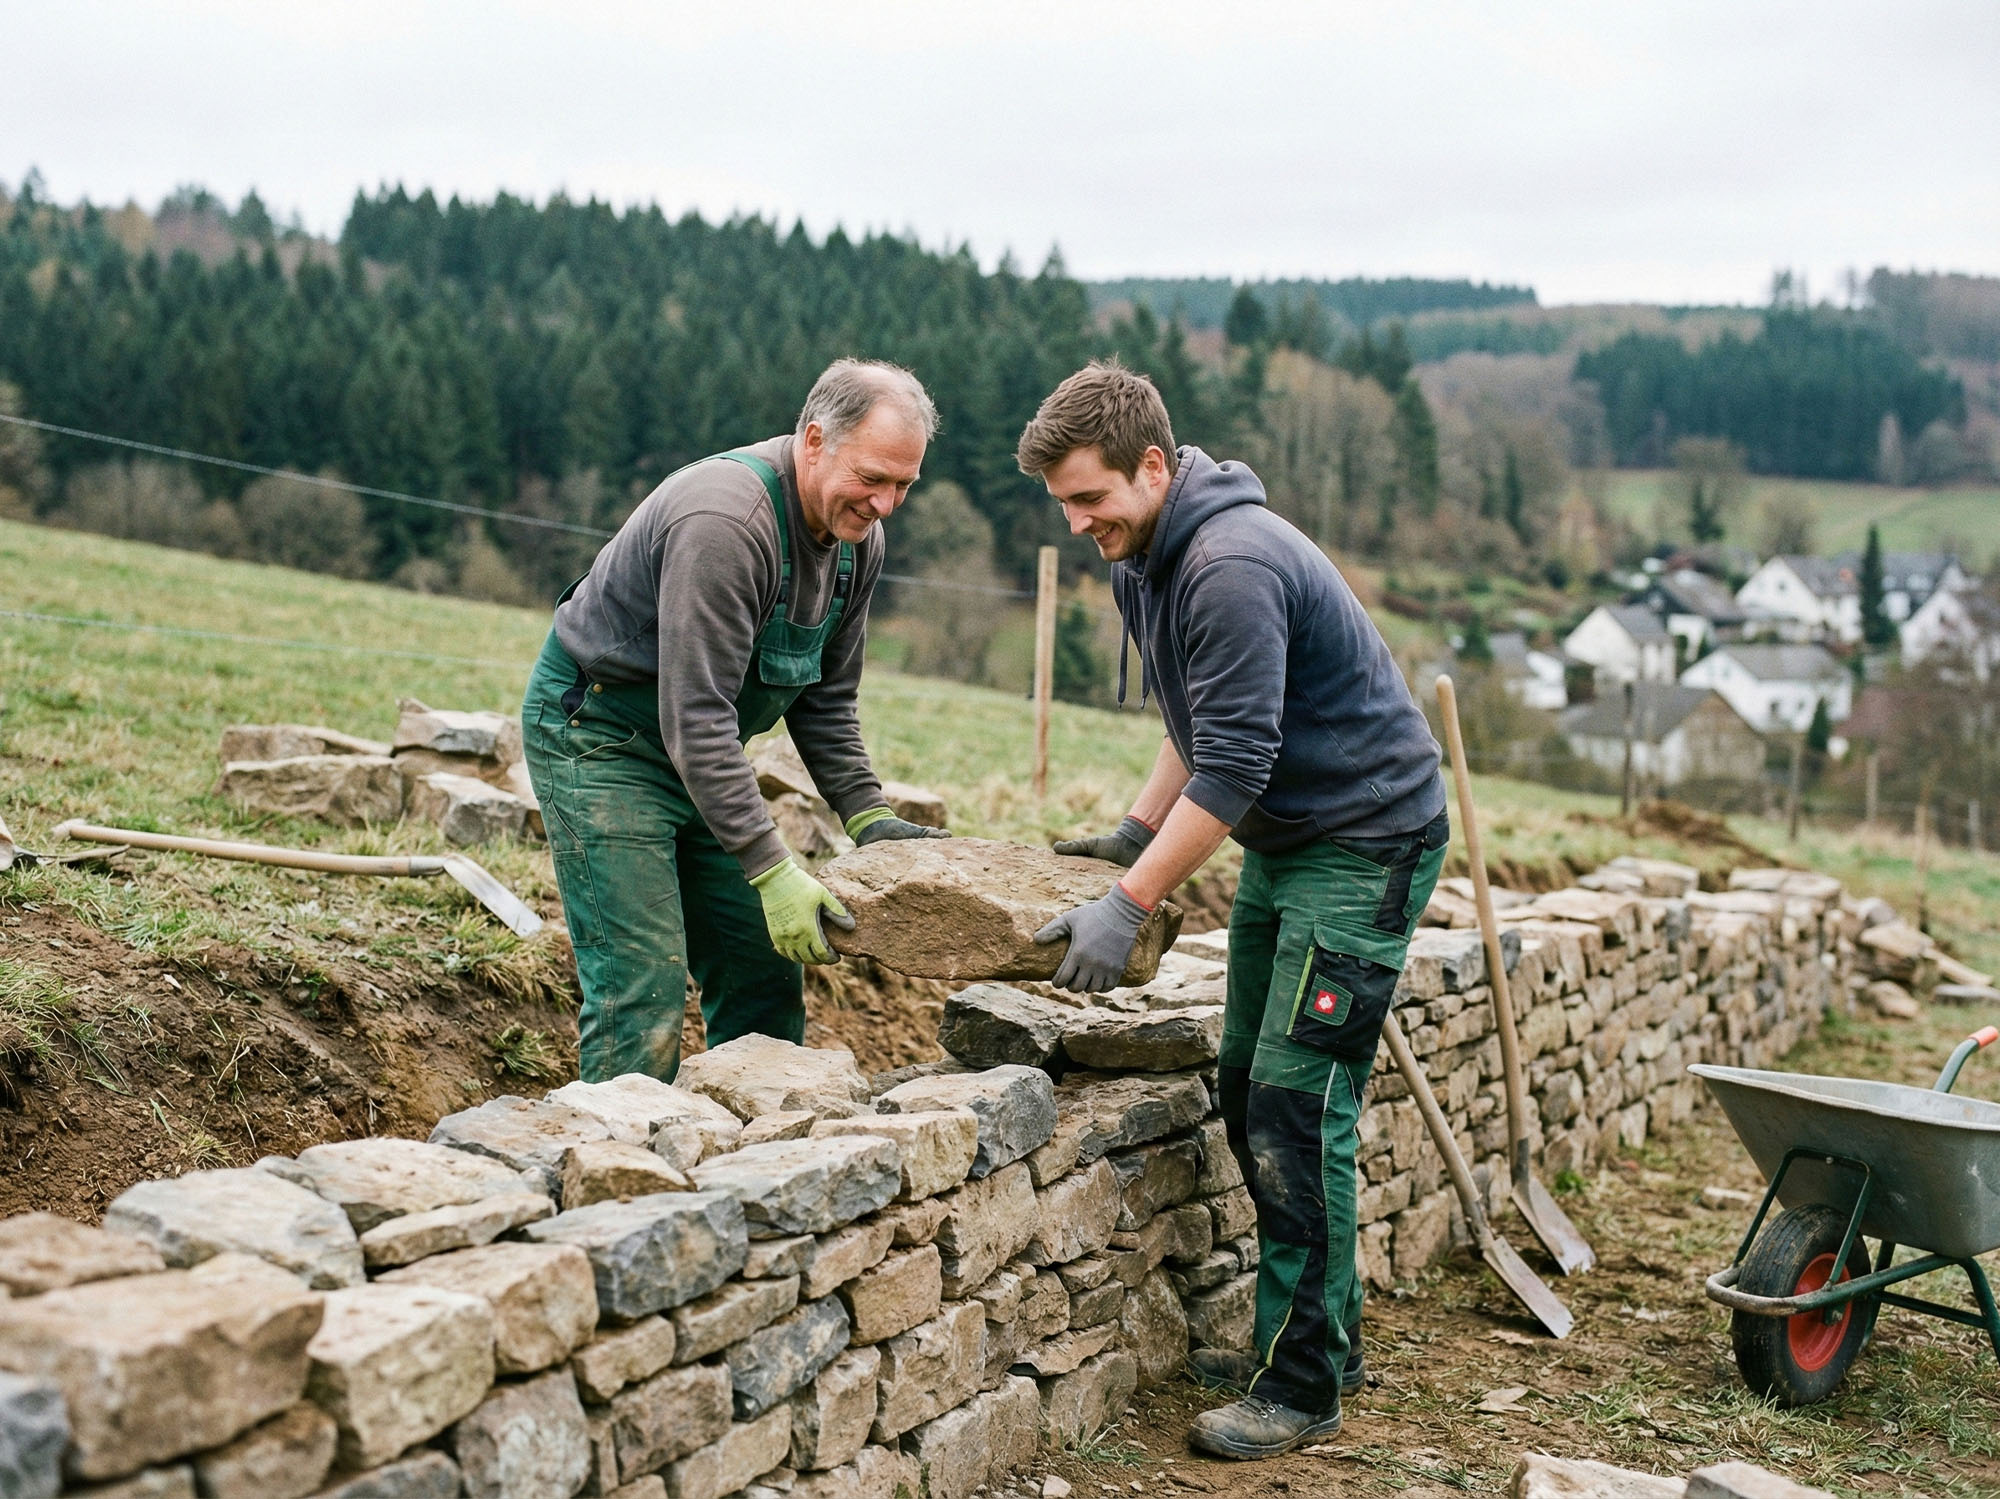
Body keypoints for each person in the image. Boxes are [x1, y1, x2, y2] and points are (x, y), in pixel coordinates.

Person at [1018, 361, 1448, 1460]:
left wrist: (1129, 897)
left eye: (1089, 497)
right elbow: (1196, 713)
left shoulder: (1229, 561)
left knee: (1298, 1107)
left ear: (1151, 465)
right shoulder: (1145, 558)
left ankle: (1302, 1380)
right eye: (1061, 503)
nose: (1076, 523)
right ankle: (1317, 1338)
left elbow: (1240, 762)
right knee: (1248, 1080)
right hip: (1295, 843)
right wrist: (1132, 824)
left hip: (1366, 842)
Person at [522, 358, 950, 1084]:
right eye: (873, 478)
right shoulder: (728, 521)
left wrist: (870, 815)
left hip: (699, 754)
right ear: (814, 441)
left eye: (904, 484)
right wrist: (773, 867)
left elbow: (825, 698)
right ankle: (617, 1173)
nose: (885, 503)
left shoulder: (856, 544)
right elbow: (695, 712)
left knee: (762, 976)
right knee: (642, 988)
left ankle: (739, 1164)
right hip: (600, 739)